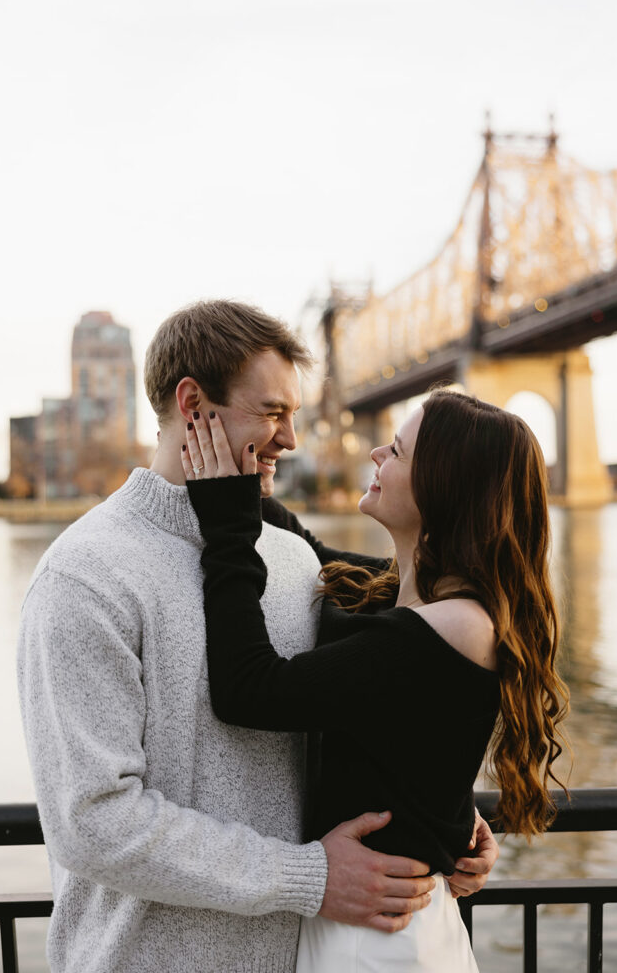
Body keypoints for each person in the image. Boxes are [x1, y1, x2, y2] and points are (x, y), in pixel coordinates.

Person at [18, 301, 498, 973]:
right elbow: (94, 823)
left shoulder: (292, 560)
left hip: (307, 956)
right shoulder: (85, 575)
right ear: (193, 405)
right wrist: (309, 877)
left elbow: (357, 707)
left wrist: (442, 816)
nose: (291, 440)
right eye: (273, 413)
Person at [181, 388, 570, 972]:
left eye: (399, 450)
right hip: (373, 922)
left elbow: (249, 689)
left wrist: (225, 530)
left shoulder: (456, 626)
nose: (375, 453)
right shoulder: (412, 598)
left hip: (378, 943)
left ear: (444, 487)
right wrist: (250, 479)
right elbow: (308, 554)